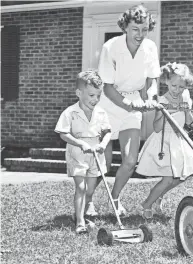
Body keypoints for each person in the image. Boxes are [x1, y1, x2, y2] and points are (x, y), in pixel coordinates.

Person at [90, 4, 160, 216]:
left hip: (133, 105)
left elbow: (152, 79)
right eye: (135, 29)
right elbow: (108, 88)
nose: (140, 34)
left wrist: (152, 96)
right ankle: (88, 201)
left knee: (130, 160)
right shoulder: (111, 47)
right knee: (105, 162)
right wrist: (129, 104)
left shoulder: (150, 47)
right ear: (125, 28)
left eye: (144, 29)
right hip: (107, 105)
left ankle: (115, 198)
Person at [135, 62, 193, 219]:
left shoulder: (185, 97)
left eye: (181, 87)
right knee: (169, 178)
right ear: (167, 82)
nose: (177, 90)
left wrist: (186, 109)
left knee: (181, 177)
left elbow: (189, 122)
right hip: (164, 140)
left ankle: (158, 196)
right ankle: (147, 204)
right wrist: (165, 113)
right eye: (174, 86)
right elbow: (156, 127)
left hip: (179, 139)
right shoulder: (162, 100)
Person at [54, 70, 111, 234]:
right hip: (78, 152)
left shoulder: (101, 112)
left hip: (95, 153)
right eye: (92, 95)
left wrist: (104, 144)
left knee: (90, 190)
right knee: (81, 187)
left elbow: (107, 132)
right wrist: (79, 143)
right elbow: (63, 133)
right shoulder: (70, 112)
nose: (96, 100)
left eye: (98, 96)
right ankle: (80, 223)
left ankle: (80, 214)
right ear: (79, 93)